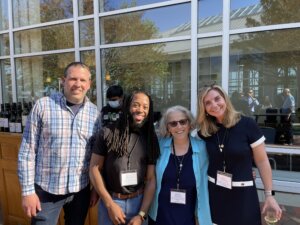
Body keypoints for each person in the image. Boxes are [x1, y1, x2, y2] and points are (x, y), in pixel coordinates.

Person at [18, 62, 101, 225]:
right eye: (73, 79)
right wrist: (27, 192)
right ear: (63, 80)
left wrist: (96, 189)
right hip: (46, 192)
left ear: (89, 84)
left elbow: (96, 158)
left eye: (83, 80)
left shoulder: (94, 113)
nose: (78, 84)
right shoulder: (43, 106)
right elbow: (27, 152)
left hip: (80, 191)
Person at [196, 85, 282, 225]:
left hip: (243, 196)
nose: (214, 105)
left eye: (217, 99)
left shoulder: (247, 124)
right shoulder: (205, 131)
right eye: (208, 103)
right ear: (203, 108)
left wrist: (269, 195)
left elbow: (262, 161)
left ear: (225, 98)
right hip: (215, 194)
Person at [90, 90, 160, 225]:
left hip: (138, 203)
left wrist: (141, 215)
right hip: (110, 201)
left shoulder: (150, 137)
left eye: (145, 107)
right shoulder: (108, 132)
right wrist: (110, 205)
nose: (140, 110)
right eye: (136, 105)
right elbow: (94, 169)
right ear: (127, 105)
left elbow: (151, 179)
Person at [148, 105, 213, 225]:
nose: (179, 127)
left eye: (183, 122)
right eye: (173, 123)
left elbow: (217, 166)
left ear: (189, 124)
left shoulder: (202, 148)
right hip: (160, 216)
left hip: (188, 217)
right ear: (167, 127)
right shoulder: (159, 146)